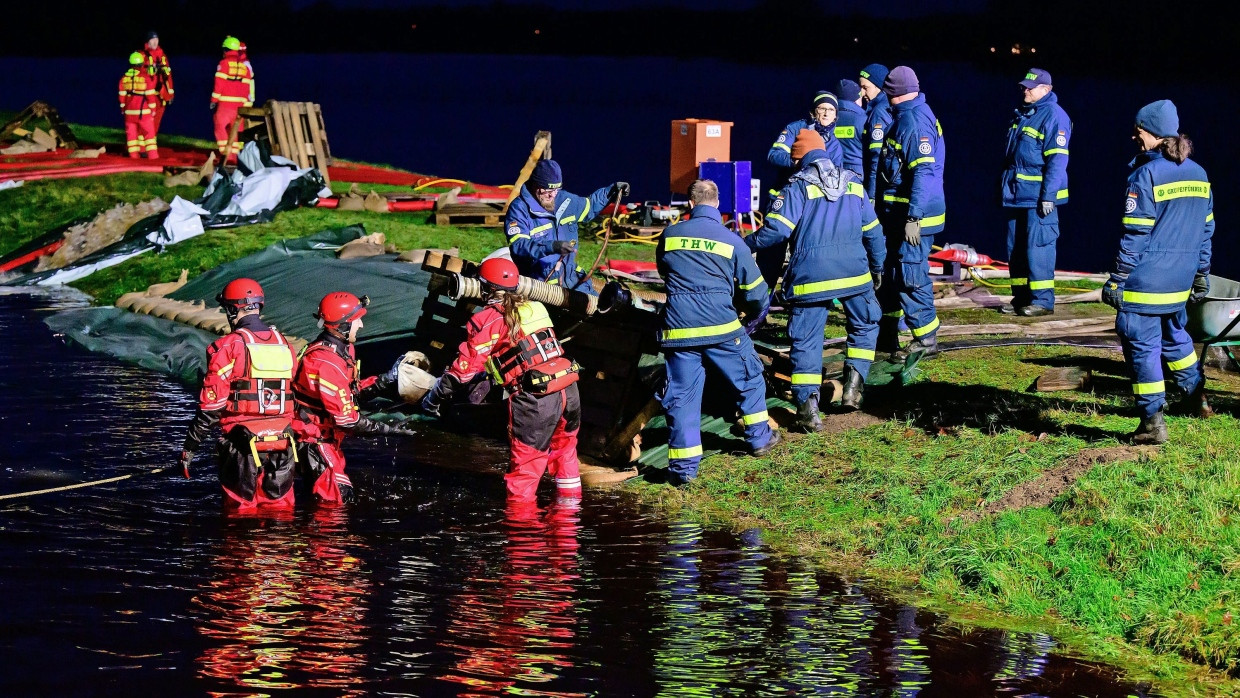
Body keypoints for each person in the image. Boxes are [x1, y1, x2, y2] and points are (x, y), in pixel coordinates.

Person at [748, 130, 885, 430]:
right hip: (854, 276)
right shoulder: (853, 184)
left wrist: (745, 243)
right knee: (865, 324)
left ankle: (808, 410)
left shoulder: (796, 187)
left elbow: (777, 232)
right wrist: (876, 268)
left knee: (807, 341)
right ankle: (853, 389)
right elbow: (874, 232)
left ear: (798, 158)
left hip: (810, 280)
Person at [420, 258, 584, 503]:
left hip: (536, 401)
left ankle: (522, 533)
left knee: (525, 472)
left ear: (485, 288)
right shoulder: (535, 306)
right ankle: (569, 521)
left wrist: (434, 397)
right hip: (568, 390)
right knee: (566, 452)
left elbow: (464, 369)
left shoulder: (489, 319)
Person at [1101, 100, 1214, 444]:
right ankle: (1197, 399)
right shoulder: (1199, 173)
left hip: (1145, 283)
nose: (1134, 138)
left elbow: (1135, 235)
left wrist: (1117, 279)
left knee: (1141, 346)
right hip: (1179, 283)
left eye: (1138, 132)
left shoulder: (1144, 175)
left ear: (1152, 133)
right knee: (1175, 337)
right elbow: (1206, 231)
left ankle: (1152, 423)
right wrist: (1201, 275)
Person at [655, 179, 780, 486]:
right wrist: (750, 315)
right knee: (750, 377)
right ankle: (759, 439)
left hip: (679, 331)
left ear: (690, 203)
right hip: (721, 328)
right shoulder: (732, 241)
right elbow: (756, 292)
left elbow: (664, 272)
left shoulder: (669, 236)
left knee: (682, 397)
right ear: (718, 204)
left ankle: (683, 472)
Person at [178, 279, 298, 511]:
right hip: (282, 442)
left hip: (242, 447)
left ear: (233, 310)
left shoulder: (227, 347)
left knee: (240, 514)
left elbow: (211, 408)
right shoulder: (285, 344)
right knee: (280, 510)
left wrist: (189, 448)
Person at [291, 292, 417, 505]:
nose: (361, 325)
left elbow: (350, 392)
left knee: (326, 498)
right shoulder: (324, 362)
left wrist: (388, 378)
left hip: (326, 437)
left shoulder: (343, 349)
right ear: (342, 326)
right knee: (336, 500)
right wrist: (387, 430)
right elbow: (347, 419)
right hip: (311, 439)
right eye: (357, 320)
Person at [875, 66, 945, 358]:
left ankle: (926, 339)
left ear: (894, 94)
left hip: (913, 219)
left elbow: (924, 173)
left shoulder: (914, 123)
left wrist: (914, 218)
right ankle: (887, 335)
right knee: (893, 273)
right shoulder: (905, 117)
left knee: (910, 274)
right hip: (897, 217)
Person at [1000, 68, 1072, 317]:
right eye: (1024, 86)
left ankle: (1042, 300)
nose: (1025, 90)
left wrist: (1048, 196)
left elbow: (1057, 162)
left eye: (1031, 87)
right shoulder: (1023, 114)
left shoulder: (1054, 116)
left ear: (1046, 89)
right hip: (1016, 195)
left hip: (1038, 198)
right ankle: (1021, 297)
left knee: (1039, 248)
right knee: (1016, 248)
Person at [760, 91, 844, 289]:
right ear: (813, 112)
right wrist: (800, 163)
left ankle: (795, 298)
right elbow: (774, 155)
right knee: (771, 253)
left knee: (803, 254)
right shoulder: (795, 128)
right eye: (822, 108)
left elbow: (835, 180)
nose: (825, 113)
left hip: (810, 207)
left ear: (836, 116)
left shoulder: (835, 146)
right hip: (783, 199)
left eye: (830, 110)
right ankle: (758, 304)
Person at [504, 159, 627, 295]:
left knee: (601, 311)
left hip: (572, 279)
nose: (552, 195)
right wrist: (552, 246)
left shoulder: (565, 200)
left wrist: (612, 191)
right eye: (547, 190)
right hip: (540, 286)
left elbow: (590, 206)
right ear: (535, 185)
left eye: (556, 189)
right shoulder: (519, 210)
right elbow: (519, 245)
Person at [210, 36, 254, 161]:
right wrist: (245, 103)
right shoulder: (244, 68)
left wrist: (214, 100)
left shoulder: (223, 64)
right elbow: (247, 87)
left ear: (226, 50)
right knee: (234, 131)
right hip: (239, 106)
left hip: (225, 104)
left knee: (220, 127)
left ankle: (226, 154)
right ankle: (235, 157)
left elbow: (219, 84)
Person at [859, 63, 892, 202]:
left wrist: (871, 197)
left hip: (879, 190)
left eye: (865, 88)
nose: (861, 93)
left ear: (880, 87)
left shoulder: (878, 112)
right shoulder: (887, 106)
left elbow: (876, 157)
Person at [118, 51, 159, 159]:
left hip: (129, 113)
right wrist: (153, 109)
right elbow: (150, 96)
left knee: (131, 137)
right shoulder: (144, 77)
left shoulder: (123, 78)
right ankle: (153, 157)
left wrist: (123, 108)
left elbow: (122, 96)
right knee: (149, 136)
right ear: (141, 64)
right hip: (143, 112)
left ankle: (134, 157)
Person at [140, 31, 174, 137]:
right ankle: (141, 148)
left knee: (156, 122)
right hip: (147, 95)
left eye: (156, 39)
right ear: (148, 41)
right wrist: (152, 70)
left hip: (160, 95)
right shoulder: (142, 55)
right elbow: (139, 73)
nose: (155, 42)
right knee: (145, 121)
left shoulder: (163, 56)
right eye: (152, 39)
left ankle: (150, 146)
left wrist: (170, 94)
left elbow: (169, 77)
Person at [835, 79, 868, 179]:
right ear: (857, 99)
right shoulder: (864, 120)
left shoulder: (827, 119)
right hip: (858, 174)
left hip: (833, 174)